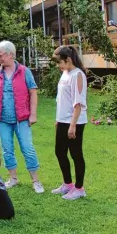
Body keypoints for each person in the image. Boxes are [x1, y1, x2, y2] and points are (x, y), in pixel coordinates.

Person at [0, 40, 44, 193]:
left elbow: (33, 91)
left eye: (1, 56)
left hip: (22, 119)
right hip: (2, 120)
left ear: (11, 54)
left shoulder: (24, 71)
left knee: (28, 148)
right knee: (7, 149)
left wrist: (33, 114)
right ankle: (13, 178)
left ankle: (36, 180)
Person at [52, 46, 88, 200]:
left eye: (59, 62)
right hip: (63, 120)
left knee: (75, 154)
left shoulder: (78, 75)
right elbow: (62, 99)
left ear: (68, 59)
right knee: (59, 152)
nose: (58, 66)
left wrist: (72, 125)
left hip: (75, 121)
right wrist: (58, 119)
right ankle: (68, 184)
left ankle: (79, 188)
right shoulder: (65, 73)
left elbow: (78, 103)